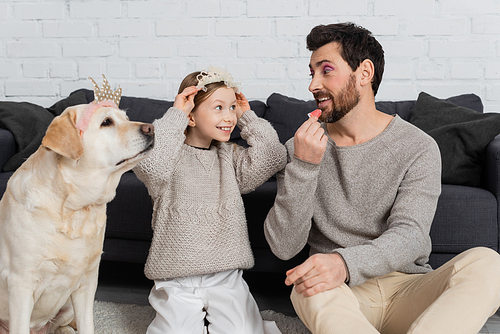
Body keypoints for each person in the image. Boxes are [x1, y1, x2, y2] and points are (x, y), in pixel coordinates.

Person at [264, 22, 500, 334]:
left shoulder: (417, 146)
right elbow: (283, 247)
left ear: (364, 73)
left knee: (489, 264)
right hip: (341, 295)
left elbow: (410, 235)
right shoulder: (302, 147)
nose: (313, 85)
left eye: (326, 70)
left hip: (409, 290)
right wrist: (304, 167)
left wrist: (345, 263)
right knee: (307, 286)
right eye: (312, 73)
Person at [133, 66, 284, 334]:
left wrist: (247, 116)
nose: (229, 117)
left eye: (231, 108)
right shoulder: (168, 157)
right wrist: (177, 114)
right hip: (176, 278)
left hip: (225, 277)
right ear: (191, 117)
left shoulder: (230, 157)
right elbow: (152, 165)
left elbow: (273, 156)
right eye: (218, 108)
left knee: (242, 331)